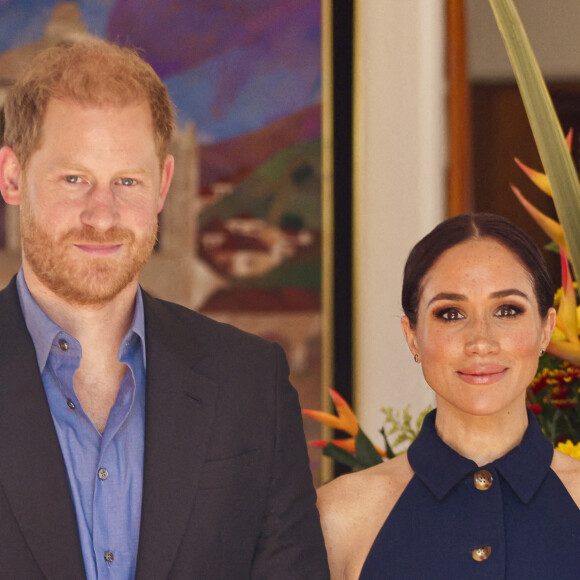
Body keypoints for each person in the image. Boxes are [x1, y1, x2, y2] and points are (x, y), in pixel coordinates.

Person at [0, 39, 329, 579]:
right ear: (13, 177)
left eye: (127, 181)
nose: (102, 216)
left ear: (163, 185)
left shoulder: (251, 386)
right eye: (74, 179)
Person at [317, 213, 580, 579]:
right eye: (451, 313)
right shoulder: (338, 516)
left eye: (507, 310)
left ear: (546, 329)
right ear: (412, 336)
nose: (481, 342)